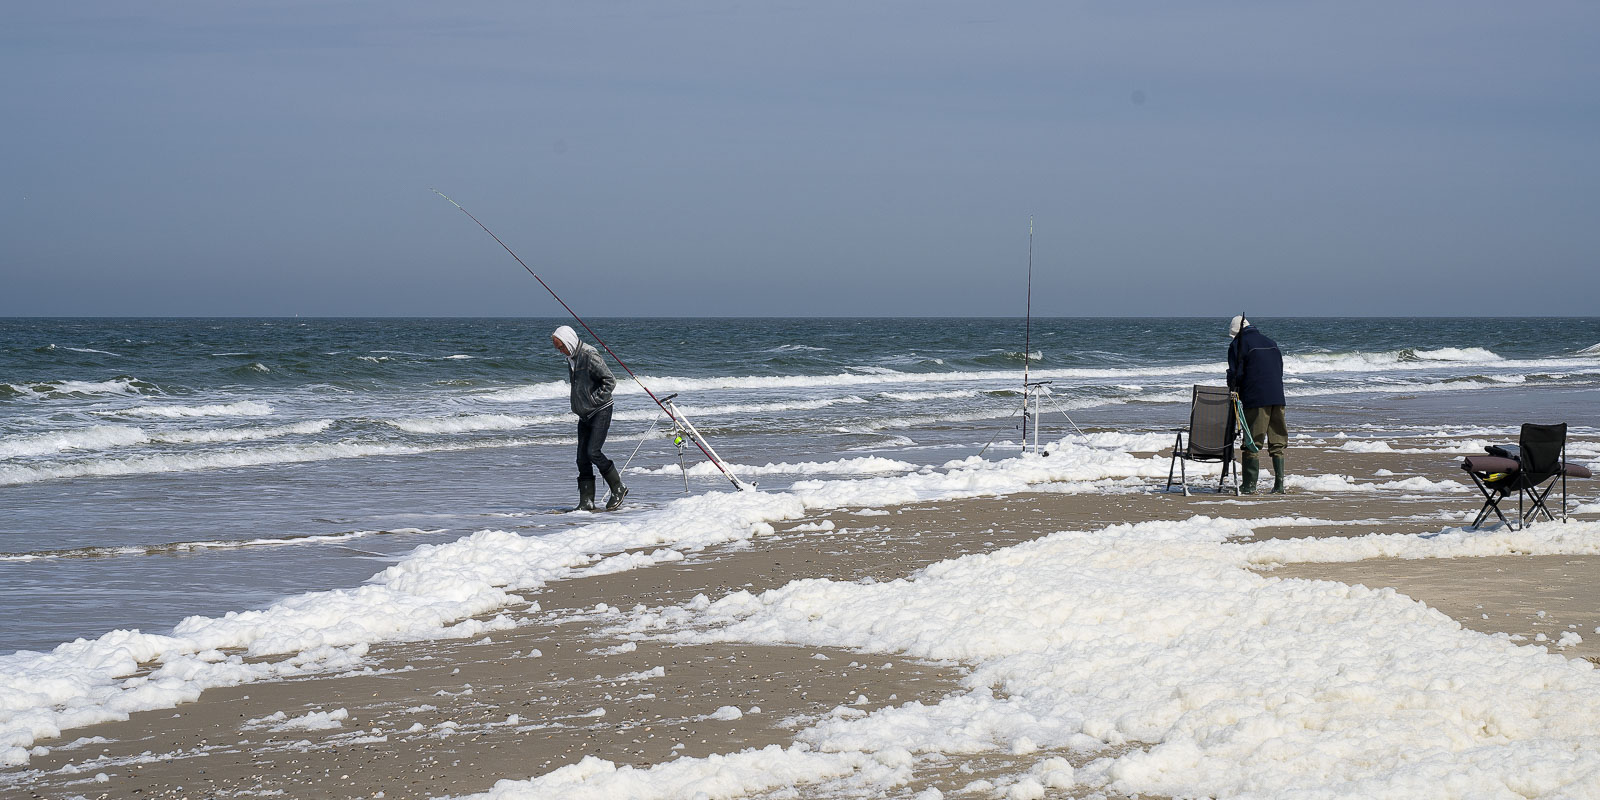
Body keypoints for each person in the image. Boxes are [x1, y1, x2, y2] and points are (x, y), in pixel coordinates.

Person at [552, 325, 628, 511]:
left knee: (593, 452)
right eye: (558, 348)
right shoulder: (572, 358)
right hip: (584, 413)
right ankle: (586, 502)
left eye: (561, 347)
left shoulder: (589, 354)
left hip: (601, 410)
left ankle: (618, 487)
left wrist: (594, 400)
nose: (560, 351)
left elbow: (610, 380)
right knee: (582, 458)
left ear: (569, 341)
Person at [1225, 315, 1287, 494]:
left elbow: (1236, 374)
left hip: (1256, 398)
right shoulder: (1271, 342)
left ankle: (1249, 485)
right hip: (1278, 396)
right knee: (1277, 440)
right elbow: (1279, 370)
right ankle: (1279, 485)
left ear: (1235, 332)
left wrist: (1233, 387)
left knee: (1252, 440)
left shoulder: (1238, 344)